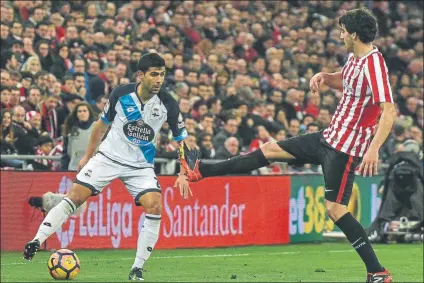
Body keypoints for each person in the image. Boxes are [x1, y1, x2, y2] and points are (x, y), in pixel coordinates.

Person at [180, 8, 394, 283]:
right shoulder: (355, 58)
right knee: (269, 150)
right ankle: (201, 170)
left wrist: (374, 148)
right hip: (327, 137)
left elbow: (388, 109)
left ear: (353, 34)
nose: (340, 36)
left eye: (342, 31)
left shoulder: (375, 64)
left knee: (335, 209)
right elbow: (348, 80)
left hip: (345, 148)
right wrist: (326, 77)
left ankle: (377, 271)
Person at [23, 53, 192, 281]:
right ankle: (36, 240)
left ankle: (137, 268)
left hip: (140, 166)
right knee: (75, 196)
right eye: (154, 74)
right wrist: (87, 157)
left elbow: (183, 140)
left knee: (155, 206)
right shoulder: (121, 94)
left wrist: (183, 173)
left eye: (162, 74)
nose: (159, 79)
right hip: (108, 157)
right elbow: (100, 126)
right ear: (141, 75)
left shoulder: (168, 103)